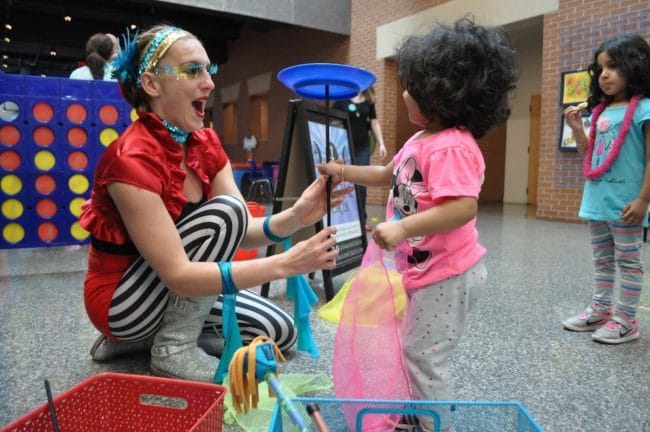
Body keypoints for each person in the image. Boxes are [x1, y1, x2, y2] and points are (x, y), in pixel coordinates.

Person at [79, 24, 350, 383]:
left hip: (170, 292)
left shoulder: (203, 142)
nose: (208, 82)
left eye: (210, 69)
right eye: (193, 70)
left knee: (281, 332)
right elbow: (178, 273)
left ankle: (144, 342)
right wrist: (283, 264)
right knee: (227, 211)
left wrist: (297, 215)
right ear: (151, 84)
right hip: (122, 302)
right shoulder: (131, 158)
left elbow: (237, 232)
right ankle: (171, 348)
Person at [320, 18, 519, 431]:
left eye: (412, 85)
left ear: (440, 95)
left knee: (424, 356)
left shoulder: (451, 147)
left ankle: (433, 424)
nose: (404, 91)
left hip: (449, 275)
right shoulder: (420, 140)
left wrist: (402, 229)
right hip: (427, 271)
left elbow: (461, 207)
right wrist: (343, 171)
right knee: (416, 348)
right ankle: (420, 411)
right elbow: (386, 175)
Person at [562, 34, 650, 344]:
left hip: (626, 202)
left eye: (613, 66)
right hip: (597, 198)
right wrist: (577, 130)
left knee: (628, 260)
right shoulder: (601, 110)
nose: (605, 75)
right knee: (602, 258)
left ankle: (627, 319)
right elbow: (592, 155)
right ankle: (601, 308)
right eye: (600, 69)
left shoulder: (644, 109)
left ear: (634, 66)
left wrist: (642, 199)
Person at [333, 85, 387, 230]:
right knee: (344, 183)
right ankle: (342, 219)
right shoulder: (341, 100)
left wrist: (381, 143)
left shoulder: (369, 101)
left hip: (362, 147)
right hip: (343, 146)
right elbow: (332, 121)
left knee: (361, 185)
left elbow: (374, 123)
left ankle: (362, 221)